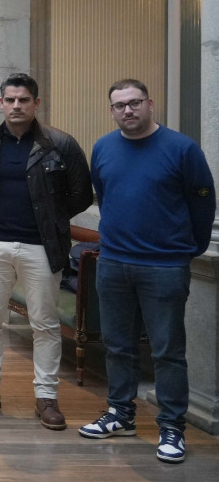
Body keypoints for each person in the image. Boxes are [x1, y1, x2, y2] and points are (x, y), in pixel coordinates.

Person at [78, 79, 214, 464]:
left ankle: (172, 427)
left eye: (135, 103)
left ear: (150, 104)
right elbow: (104, 196)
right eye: (119, 105)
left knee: (168, 351)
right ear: (111, 110)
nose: (128, 111)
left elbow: (203, 200)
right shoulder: (103, 148)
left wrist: (192, 248)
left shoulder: (181, 148)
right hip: (115, 262)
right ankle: (121, 414)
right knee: (117, 345)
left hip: (165, 266)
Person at [0, 73, 92, 430]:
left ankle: (46, 397)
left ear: (36, 103)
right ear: (1, 102)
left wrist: (50, 216)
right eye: (10, 100)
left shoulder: (60, 145)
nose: (16, 106)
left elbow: (81, 194)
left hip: (42, 246)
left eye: (24, 100)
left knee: (44, 322)